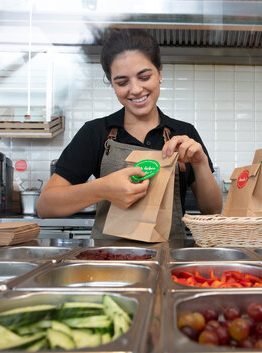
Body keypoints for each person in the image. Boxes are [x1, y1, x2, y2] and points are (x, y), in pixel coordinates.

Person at [36, 28, 223, 240]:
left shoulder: (184, 133)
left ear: (159, 73)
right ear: (112, 83)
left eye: (144, 76)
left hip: (167, 263)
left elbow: (212, 210)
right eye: (122, 82)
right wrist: (102, 188)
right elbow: (45, 206)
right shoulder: (96, 133)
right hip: (109, 264)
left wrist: (200, 163)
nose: (135, 89)